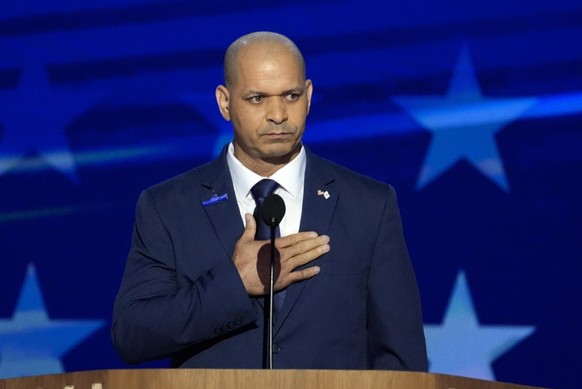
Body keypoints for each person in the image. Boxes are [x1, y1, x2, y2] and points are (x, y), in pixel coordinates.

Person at [112, 31, 427, 371]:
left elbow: (400, 357)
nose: (278, 114)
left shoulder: (369, 205)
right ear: (225, 102)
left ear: (308, 96)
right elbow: (133, 334)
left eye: (290, 96)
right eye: (258, 98)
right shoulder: (168, 207)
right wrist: (234, 284)